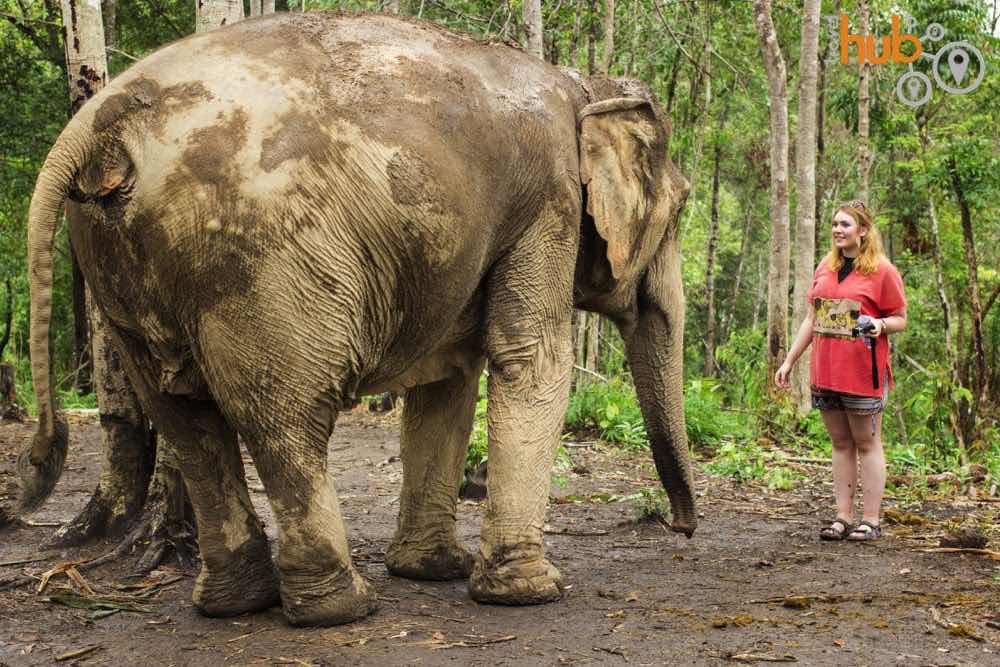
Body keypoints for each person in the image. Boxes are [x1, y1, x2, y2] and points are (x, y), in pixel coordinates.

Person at [775, 200, 906, 541]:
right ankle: (842, 516)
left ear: (863, 230)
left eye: (845, 224)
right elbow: (811, 318)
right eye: (834, 224)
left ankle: (871, 520)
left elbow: (900, 318)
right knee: (840, 443)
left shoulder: (881, 271)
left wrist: (879, 325)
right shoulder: (825, 267)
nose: (837, 230)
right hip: (827, 370)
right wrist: (789, 361)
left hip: (863, 372)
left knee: (867, 442)